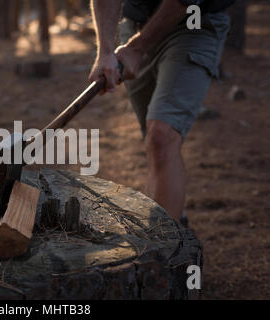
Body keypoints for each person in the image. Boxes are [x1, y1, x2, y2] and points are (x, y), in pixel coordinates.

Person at [89, 0, 234, 226]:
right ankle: (176, 223)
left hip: (194, 23)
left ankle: (166, 253)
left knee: (161, 136)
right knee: (154, 142)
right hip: (135, 25)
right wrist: (105, 51)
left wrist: (137, 48)